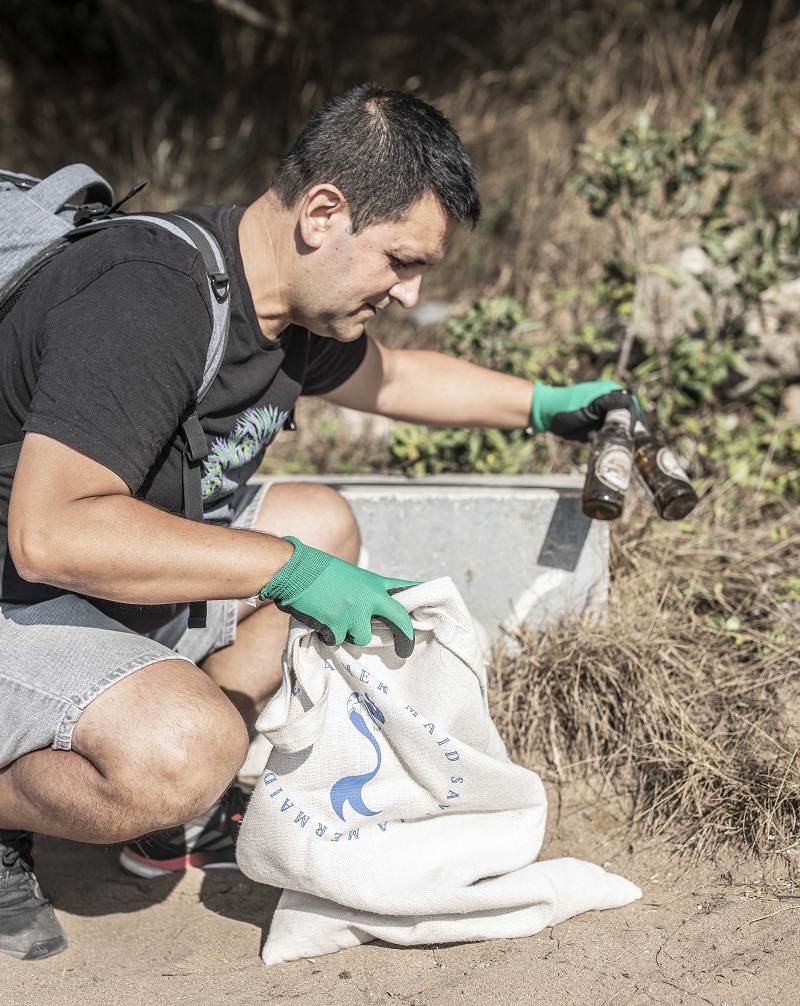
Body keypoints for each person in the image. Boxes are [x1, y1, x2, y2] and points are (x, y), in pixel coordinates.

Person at [0, 84, 636, 960]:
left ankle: (168, 819)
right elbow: (52, 535)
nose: (409, 293)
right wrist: (284, 571)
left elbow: (398, 383)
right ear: (323, 213)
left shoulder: (291, 305)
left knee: (321, 520)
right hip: (22, 587)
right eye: (400, 261)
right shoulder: (148, 298)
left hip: (93, 577)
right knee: (184, 749)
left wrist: (550, 406)